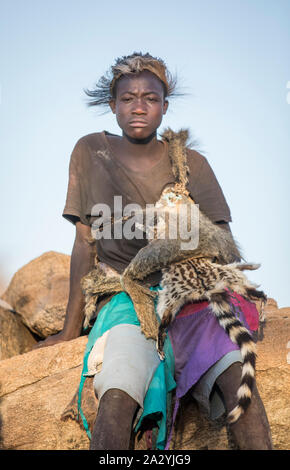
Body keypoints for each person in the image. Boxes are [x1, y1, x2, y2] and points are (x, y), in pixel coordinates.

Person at [35, 52, 273, 450]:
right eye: (127, 98)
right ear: (112, 105)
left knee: (237, 375)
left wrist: (196, 252)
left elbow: (223, 241)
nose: (138, 106)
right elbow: (83, 241)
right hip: (129, 294)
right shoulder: (90, 152)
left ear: (165, 106)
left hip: (189, 292)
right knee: (120, 385)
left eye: (150, 97)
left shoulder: (189, 163)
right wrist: (68, 329)